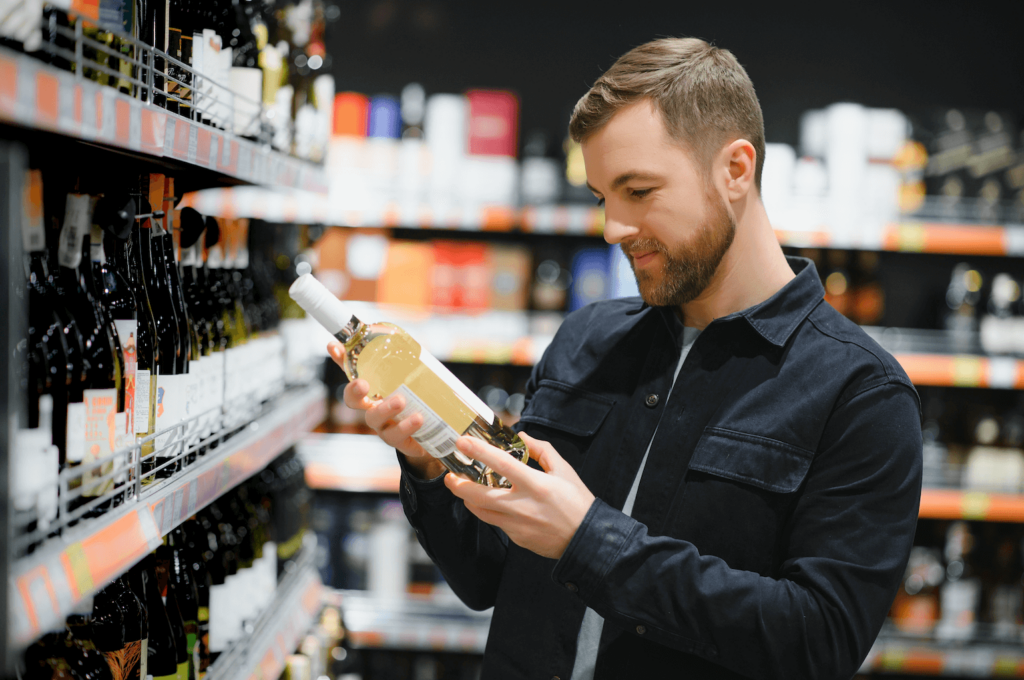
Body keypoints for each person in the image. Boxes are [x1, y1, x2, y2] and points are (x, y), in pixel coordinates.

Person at [333, 37, 923, 680]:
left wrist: (587, 540)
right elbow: (486, 576)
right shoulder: (585, 341)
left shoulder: (861, 393)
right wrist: (425, 457)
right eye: (601, 198)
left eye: (638, 191)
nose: (612, 228)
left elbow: (818, 641)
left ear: (735, 170)